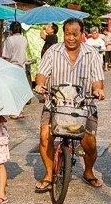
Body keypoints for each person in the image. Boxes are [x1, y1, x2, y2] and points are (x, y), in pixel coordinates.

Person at [34, 18, 106, 192]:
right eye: (67, 34)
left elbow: (97, 81)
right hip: (55, 104)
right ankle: (49, 174)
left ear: (82, 34)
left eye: (75, 34)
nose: (71, 38)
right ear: (63, 34)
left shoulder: (92, 54)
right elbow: (42, 73)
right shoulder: (53, 51)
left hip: (83, 106)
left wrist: (98, 90)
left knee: (90, 145)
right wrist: (39, 84)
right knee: (45, 138)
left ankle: (88, 171)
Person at [3, 21, 29, 118]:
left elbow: (7, 56)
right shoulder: (24, 39)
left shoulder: (9, 40)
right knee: (20, 90)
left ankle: (14, 112)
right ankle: (21, 111)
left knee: (12, 91)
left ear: (11, 30)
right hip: (22, 67)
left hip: (12, 67)